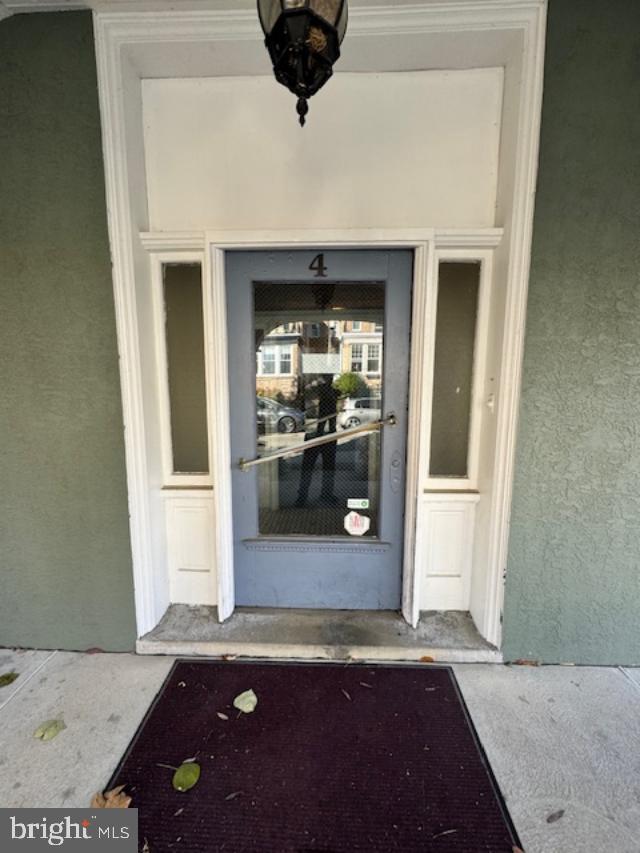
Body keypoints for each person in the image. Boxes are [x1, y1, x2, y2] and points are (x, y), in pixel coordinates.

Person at [295, 375, 339, 507]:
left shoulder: (320, 391)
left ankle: (317, 495)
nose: (331, 380)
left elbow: (331, 417)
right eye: (329, 377)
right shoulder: (321, 392)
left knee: (326, 468)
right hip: (317, 435)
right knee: (313, 468)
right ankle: (304, 497)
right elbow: (326, 416)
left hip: (322, 435)